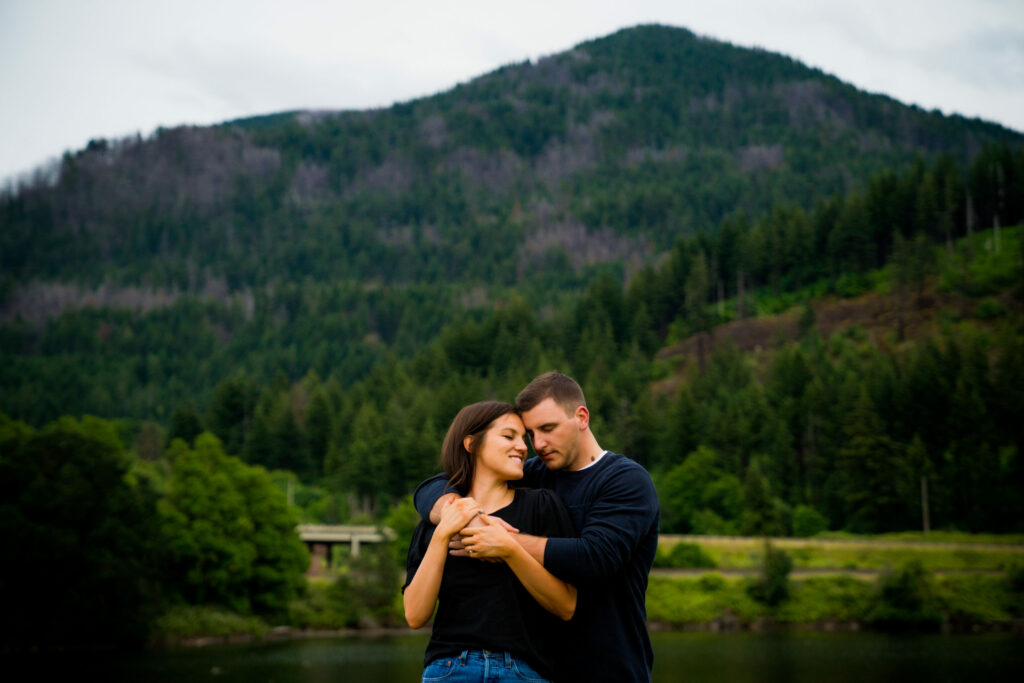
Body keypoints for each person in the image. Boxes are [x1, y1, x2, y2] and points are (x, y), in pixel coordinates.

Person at [414, 372, 661, 683]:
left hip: (611, 668)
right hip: (541, 671)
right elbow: (433, 488)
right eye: (530, 433)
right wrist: (463, 516)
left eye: (548, 428)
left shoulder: (625, 480)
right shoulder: (534, 475)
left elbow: (596, 557)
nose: (537, 444)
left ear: (581, 417)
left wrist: (504, 542)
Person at [403, 400, 577, 683]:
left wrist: (510, 550)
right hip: (450, 670)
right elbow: (415, 615)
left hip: (523, 672)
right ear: (471, 444)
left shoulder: (542, 506)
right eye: (509, 436)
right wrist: (443, 533)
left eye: (523, 439)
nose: (523, 447)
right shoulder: (435, 518)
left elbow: (566, 606)